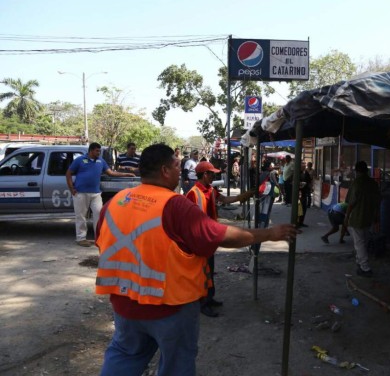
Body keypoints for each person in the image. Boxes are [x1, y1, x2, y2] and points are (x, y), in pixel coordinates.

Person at [94, 144, 297, 376]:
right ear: (164, 170)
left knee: (124, 357)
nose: (181, 172)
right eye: (177, 166)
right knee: (177, 365)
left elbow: (105, 243)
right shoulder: (174, 204)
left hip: (125, 305)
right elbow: (219, 235)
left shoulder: (115, 202)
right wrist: (270, 234)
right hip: (170, 307)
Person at [186, 160, 254, 317]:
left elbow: (224, 200)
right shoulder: (193, 193)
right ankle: (203, 302)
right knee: (203, 271)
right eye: (212, 174)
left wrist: (241, 197)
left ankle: (209, 298)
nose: (213, 177)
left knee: (210, 269)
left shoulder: (210, 190)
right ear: (204, 174)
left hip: (209, 237)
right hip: (200, 239)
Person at [65, 142, 135, 247]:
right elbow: (68, 173)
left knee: (99, 214)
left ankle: (99, 237)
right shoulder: (80, 160)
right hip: (80, 193)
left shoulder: (101, 161)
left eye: (99, 151)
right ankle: (81, 238)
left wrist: (126, 174)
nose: (99, 153)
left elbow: (110, 173)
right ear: (91, 150)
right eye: (97, 151)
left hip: (96, 193)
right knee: (81, 216)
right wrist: (71, 188)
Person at [344, 160, 380, 277]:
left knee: (359, 244)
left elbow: (351, 202)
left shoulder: (357, 183)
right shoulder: (373, 183)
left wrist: (346, 216)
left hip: (357, 217)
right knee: (364, 241)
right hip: (369, 217)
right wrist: (376, 217)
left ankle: (365, 267)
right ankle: (360, 263)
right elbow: (377, 202)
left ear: (356, 170)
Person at [297, 161, 312, 227]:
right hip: (298, 193)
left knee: (304, 208)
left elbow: (309, 180)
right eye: (302, 166)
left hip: (305, 192)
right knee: (299, 208)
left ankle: (301, 222)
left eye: (304, 166)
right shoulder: (297, 173)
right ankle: (297, 223)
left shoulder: (306, 172)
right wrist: (300, 184)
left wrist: (310, 187)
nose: (304, 167)